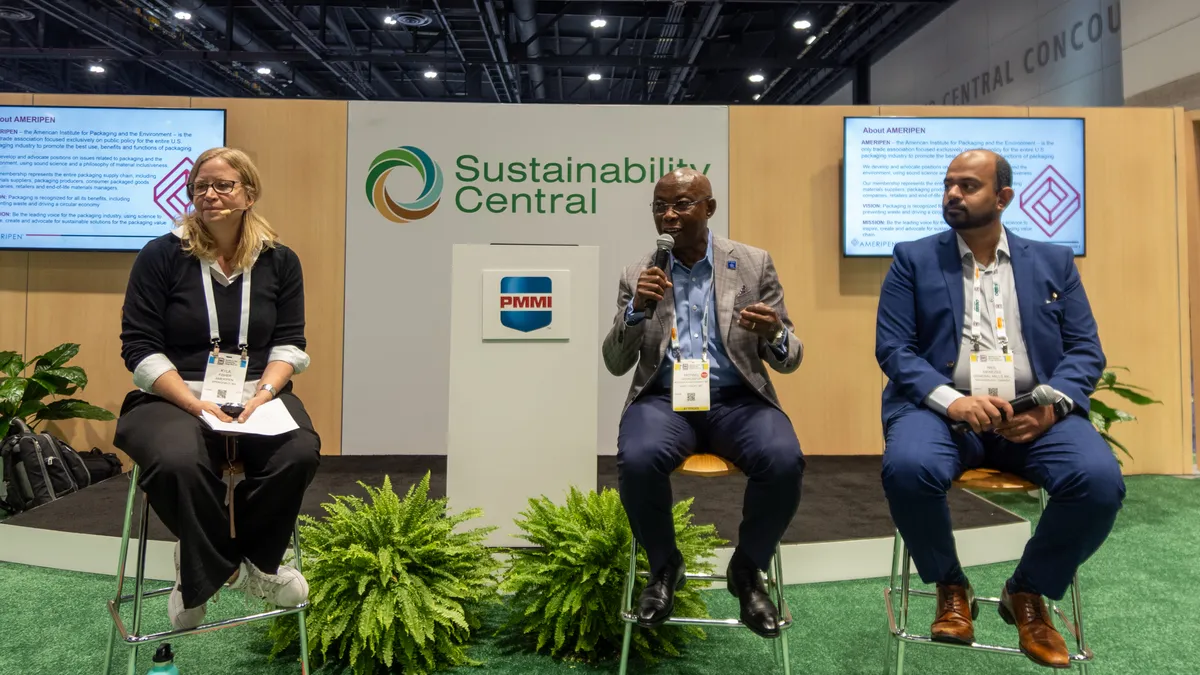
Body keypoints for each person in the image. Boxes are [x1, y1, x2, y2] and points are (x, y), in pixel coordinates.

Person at [875, 149, 1125, 668]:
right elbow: (895, 349)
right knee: (908, 468)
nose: (952, 194)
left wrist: (1052, 409)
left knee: (1099, 481)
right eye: (948, 185)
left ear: (1003, 197)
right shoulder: (913, 258)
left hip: (1034, 414)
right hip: (943, 412)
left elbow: (1085, 351)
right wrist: (956, 401)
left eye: (968, 186)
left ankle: (1027, 593)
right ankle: (951, 586)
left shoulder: (1053, 261)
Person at [114, 147, 321, 630]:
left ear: (249, 193)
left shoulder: (280, 261)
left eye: (223, 185)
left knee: (299, 453)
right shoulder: (160, 255)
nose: (210, 195)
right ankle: (212, 567)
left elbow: (291, 343)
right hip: (173, 395)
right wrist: (192, 402)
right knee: (177, 461)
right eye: (200, 186)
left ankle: (257, 561)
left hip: (254, 395)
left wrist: (264, 394)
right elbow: (138, 346)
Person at [602, 168, 804, 638]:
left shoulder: (752, 264)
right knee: (638, 458)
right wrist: (635, 312)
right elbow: (615, 361)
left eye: (682, 204)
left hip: (738, 401)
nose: (668, 216)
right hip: (664, 400)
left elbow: (790, 357)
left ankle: (748, 569)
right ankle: (664, 565)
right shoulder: (640, 272)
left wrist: (773, 332)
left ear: (709, 209)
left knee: (784, 459)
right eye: (659, 207)